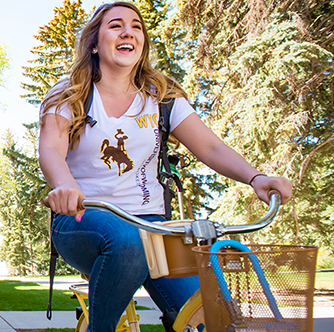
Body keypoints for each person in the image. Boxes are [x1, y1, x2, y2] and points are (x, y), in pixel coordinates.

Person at [38, 2, 293, 331]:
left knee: (213, 316)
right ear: (95, 43)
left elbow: (211, 147)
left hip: (155, 228)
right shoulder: (71, 93)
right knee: (129, 242)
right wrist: (65, 186)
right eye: (115, 26)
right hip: (82, 218)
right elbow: (51, 149)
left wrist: (255, 178)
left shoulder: (161, 96)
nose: (128, 31)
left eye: (136, 26)